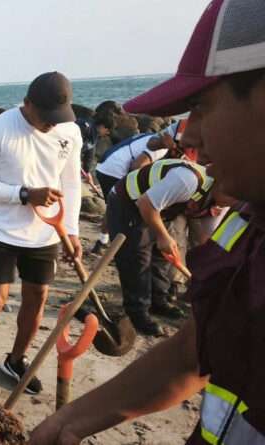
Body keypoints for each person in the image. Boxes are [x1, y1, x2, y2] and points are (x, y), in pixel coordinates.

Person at [30, 0, 265, 442]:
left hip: (146, 201)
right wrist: (66, 424)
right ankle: (140, 309)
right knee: (137, 257)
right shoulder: (246, 221)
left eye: (203, 106)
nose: (189, 133)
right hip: (129, 200)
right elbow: (195, 350)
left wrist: (169, 246)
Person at [0, 72, 82, 395]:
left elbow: (71, 183)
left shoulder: (69, 130)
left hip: (47, 233)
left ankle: (16, 360)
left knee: (37, 298)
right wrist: (25, 194)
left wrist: (72, 231)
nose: (52, 123)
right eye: (47, 116)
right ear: (27, 103)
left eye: (59, 116)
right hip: (1, 230)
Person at [106, 156, 215, 335]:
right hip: (128, 201)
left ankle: (159, 301)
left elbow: (206, 239)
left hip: (160, 208)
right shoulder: (188, 180)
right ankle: (137, 312)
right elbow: (145, 203)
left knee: (162, 256)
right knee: (137, 258)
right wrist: (163, 235)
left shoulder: (222, 198)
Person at [91, 120, 186, 252]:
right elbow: (137, 166)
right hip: (115, 170)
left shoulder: (151, 137)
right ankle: (118, 245)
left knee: (112, 207)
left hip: (105, 165)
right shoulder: (160, 148)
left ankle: (102, 241)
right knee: (123, 208)